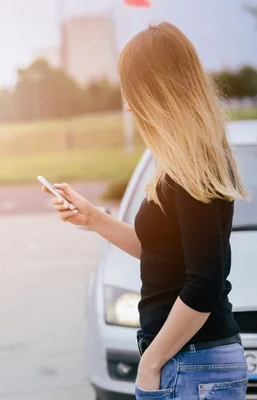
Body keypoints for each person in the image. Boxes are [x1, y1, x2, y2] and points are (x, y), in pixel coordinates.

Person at [43, 21, 250, 399]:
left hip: (190, 364)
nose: (127, 102)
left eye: (131, 89)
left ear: (157, 91)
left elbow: (203, 286)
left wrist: (152, 361)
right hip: (190, 362)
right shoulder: (182, 163)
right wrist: (92, 217)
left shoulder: (193, 167)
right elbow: (163, 254)